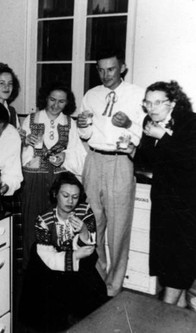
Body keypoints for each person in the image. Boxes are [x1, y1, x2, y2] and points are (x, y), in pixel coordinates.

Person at [76, 48, 145, 297]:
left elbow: (145, 135)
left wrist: (128, 124)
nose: (106, 75)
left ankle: (113, 287)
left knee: (118, 229)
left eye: (111, 69)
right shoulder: (91, 95)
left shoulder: (137, 95)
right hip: (94, 160)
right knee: (93, 223)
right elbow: (85, 134)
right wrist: (82, 127)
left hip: (121, 161)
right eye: (101, 70)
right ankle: (98, 274)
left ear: (123, 68)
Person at [19, 172, 107, 332]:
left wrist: (84, 231)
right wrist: (74, 256)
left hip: (79, 258)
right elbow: (48, 257)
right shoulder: (44, 219)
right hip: (53, 262)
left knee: (95, 294)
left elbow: (91, 246)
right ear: (55, 194)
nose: (70, 201)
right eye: (65, 195)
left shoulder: (85, 211)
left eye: (75, 197)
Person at [134, 81, 196, 307]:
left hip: (187, 205)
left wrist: (164, 137)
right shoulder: (148, 122)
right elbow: (146, 161)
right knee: (167, 261)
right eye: (147, 103)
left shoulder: (190, 123)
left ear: (173, 102)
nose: (151, 108)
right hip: (162, 203)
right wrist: (132, 150)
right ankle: (175, 319)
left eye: (157, 102)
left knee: (180, 262)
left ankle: (164, 311)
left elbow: (190, 161)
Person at [19, 82, 86, 268]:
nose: (56, 105)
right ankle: (32, 270)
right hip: (34, 181)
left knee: (58, 226)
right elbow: (20, 154)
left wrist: (64, 156)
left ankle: (57, 268)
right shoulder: (31, 119)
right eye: (52, 100)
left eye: (61, 102)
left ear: (67, 104)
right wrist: (27, 143)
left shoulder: (70, 123)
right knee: (33, 225)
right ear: (45, 98)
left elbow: (80, 156)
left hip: (59, 183)